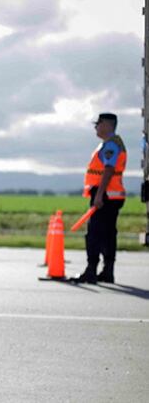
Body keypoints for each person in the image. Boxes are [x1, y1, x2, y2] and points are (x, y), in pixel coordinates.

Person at [71, 113, 126, 284]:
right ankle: (107, 272)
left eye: (98, 123)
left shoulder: (110, 145)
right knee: (108, 235)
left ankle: (91, 271)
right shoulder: (113, 144)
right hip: (112, 195)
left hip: (105, 196)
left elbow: (108, 170)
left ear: (107, 125)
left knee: (94, 234)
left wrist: (100, 194)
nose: (96, 127)